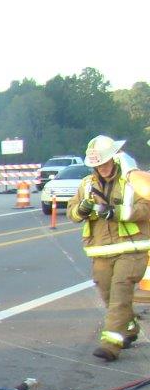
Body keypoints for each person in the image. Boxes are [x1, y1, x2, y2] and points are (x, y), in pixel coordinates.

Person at [66, 135, 150, 361]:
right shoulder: (86, 184)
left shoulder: (133, 180)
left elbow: (146, 208)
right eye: (96, 164)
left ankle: (111, 343)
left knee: (121, 292)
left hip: (132, 249)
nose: (101, 167)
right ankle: (129, 327)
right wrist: (82, 209)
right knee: (108, 295)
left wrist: (117, 212)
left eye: (104, 162)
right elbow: (72, 212)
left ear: (113, 158)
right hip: (101, 251)